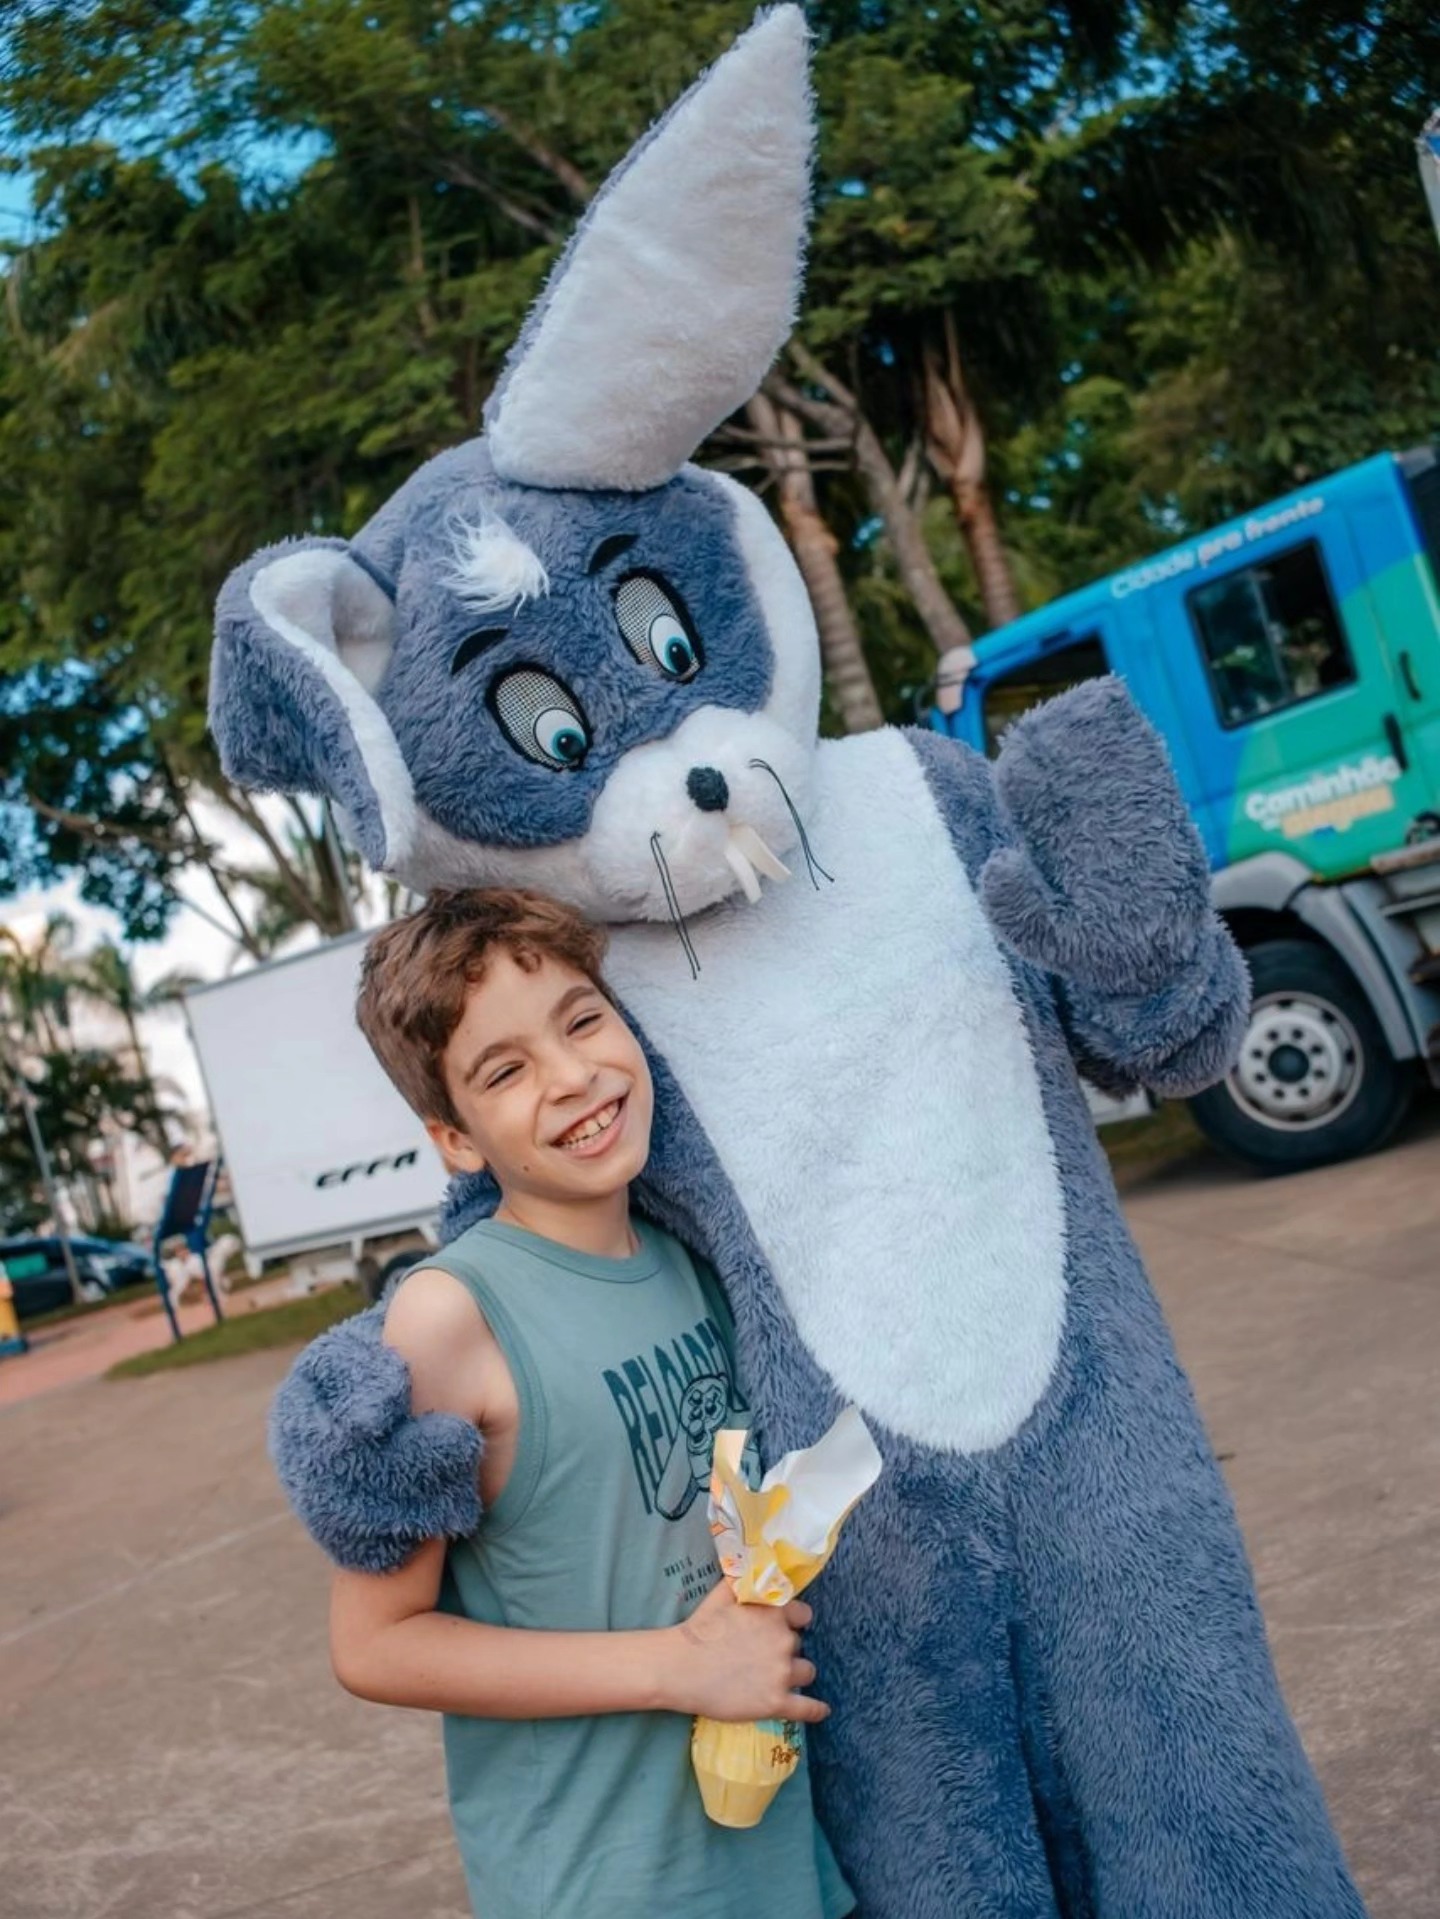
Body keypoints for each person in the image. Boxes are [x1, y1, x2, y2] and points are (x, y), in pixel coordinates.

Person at [328, 886, 853, 1919]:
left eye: (582, 1019)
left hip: (783, 1860)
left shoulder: (694, 1259)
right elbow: (375, 1641)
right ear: (457, 1138)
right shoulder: (446, 1319)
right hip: (602, 1880)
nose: (574, 1075)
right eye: (505, 1069)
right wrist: (677, 1666)